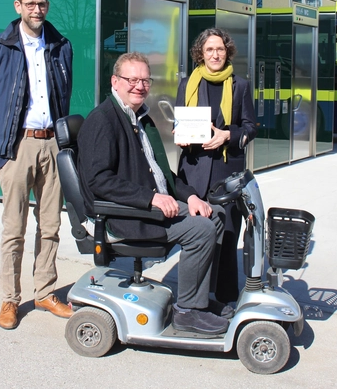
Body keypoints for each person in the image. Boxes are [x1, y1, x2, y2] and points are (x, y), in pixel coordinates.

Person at [77, 52, 233, 335]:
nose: (139, 86)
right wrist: (151, 198)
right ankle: (187, 312)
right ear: (115, 81)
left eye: (145, 80)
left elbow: (161, 173)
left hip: (149, 206)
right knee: (201, 229)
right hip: (125, 215)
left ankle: (198, 299)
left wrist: (191, 196)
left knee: (216, 215)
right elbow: (99, 181)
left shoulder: (140, 118)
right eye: (132, 80)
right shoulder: (103, 120)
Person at [0, 0, 73, 330]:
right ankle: (10, 299)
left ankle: (45, 292)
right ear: (18, 6)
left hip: (52, 145)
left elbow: (64, 96)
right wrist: (6, 140)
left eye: (42, 4)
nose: (37, 10)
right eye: (30, 4)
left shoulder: (61, 45)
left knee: (51, 226)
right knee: (14, 228)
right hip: (18, 146)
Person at [175, 28, 257, 305]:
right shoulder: (187, 84)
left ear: (227, 51)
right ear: (200, 53)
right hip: (194, 170)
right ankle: (196, 298)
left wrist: (228, 136)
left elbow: (250, 127)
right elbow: (179, 121)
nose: (215, 54)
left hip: (227, 172)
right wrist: (180, 135)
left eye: (220, 49)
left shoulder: (240, 85)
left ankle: (225, 298)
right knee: (198, 234)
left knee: (228, 236)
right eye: (209, 49)